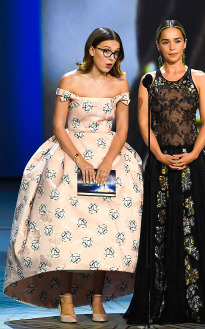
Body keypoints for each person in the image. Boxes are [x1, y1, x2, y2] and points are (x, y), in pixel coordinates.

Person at [4, 27, 143, 324]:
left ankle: (96, 300)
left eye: (116, 52)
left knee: (103, 230)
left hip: (109, 157)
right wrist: (81, 162)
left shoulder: (119, 82)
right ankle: (65, 300)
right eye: (106, 50)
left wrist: (105, 163)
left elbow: (122, 129)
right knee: (64, 230)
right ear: (91, 49)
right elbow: (58, 125)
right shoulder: (70, 80)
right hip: (69, 157)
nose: (111, 57)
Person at [124, 20, 205, 325]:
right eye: (166, 42)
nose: (172, 47)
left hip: (194, 163)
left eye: (176, 41)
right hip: (160, 163)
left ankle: (199, 302)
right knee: (161, 232)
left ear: (185, 43)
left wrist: (192, 154)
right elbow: (143, 124)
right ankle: (163, 302)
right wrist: (159, 155)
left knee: (197, 230)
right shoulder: (149, 80)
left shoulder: (200, 78)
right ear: (158, 46)